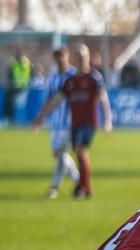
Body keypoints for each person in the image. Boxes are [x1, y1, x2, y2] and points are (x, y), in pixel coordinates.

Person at [32, 44, 113, 199]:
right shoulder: (71, 80)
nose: (81, 60)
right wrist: (42, 116)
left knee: (80, 151)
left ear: (88, 58)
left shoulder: (94, 77)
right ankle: (82, 186)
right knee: (76, 153)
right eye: (79, 58)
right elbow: (57, 99)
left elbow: (103, 98)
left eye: (84, 57)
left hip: (88, 123)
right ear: (74, 60)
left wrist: (108, 119)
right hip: (74, 123)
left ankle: (82, 187)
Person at [43, 46, 81, 199]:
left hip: (70, 122)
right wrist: (43, 116)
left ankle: (55, 187)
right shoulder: (53, 77)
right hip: (55, 122)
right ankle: (79, 181)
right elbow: (50, 98)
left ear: (67, 56)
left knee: (60, 153)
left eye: (62, 57)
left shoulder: (74, 74)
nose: (60, 60)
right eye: (57, 58)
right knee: (59, 154)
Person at [4, 49, 31, 125]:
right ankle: (10, 119)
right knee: (11, 102)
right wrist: (11, 82)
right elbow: (9, 74)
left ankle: (18, 120)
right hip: (14, 87)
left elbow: (30, 74)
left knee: (19, 104)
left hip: (24, 87)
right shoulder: (13, 63)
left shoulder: (27, 63)